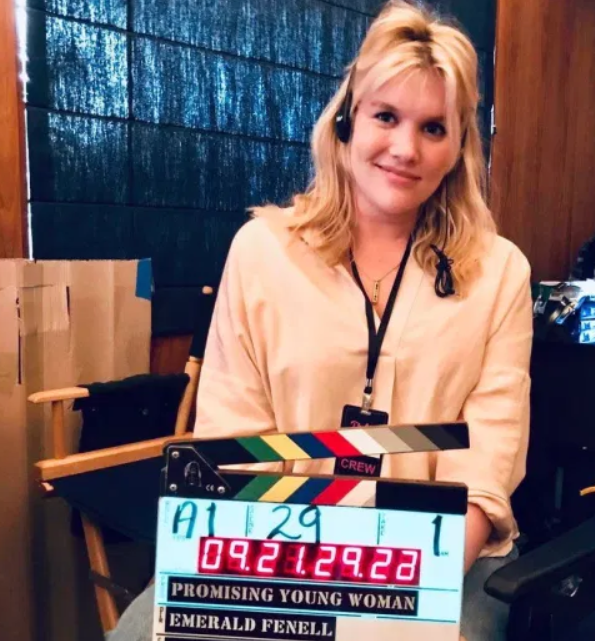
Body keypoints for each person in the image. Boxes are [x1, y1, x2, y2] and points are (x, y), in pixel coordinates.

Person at [109, 2, 532, 640]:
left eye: (433, 128)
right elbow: (232, 438)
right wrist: (292, 594)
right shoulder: (261, 251)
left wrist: (391, 599)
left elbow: (486, 465)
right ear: (346, 120)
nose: (405, 149)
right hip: (279, 545)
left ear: (458, 148)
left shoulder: (500, 272)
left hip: (444, 556)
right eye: (386, 116)